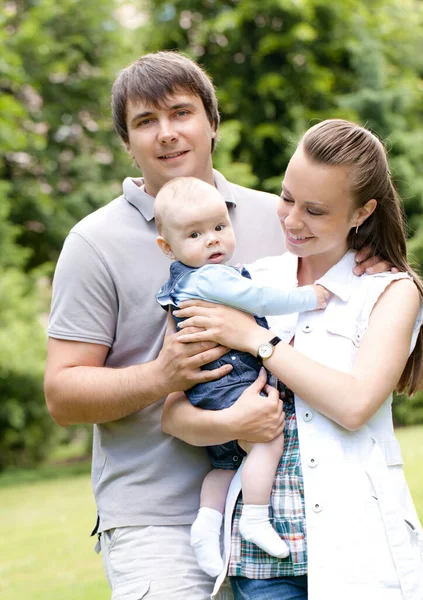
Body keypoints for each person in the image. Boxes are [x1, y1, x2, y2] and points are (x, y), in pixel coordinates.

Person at [43, 50, 391, 600]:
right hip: (155, 519)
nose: (166, 134)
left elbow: (342, 296)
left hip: (276, 507)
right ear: (127, 142)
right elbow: (63, 395)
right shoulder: (93, 243)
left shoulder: (277, 218)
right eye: (144, 121)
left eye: (180, 113)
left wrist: (367, 261)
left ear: (212, 122)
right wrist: (163, 374)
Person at [162, 119, 423, 600]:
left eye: (315, 210)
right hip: (262, 562)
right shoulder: (251, 280)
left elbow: (354, 405)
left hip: (360, 553)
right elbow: (174, 415)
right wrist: (233, 421)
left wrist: (255, 339)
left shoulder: (390, 291)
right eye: (287, 198)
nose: (291, 220)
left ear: (362, 212)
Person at [154, 176, 329, 576]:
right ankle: (254, 518)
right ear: (167, 247)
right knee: (268, 438)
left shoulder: (181, 281)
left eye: (219, 227)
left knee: (227, 463)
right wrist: (311, 296)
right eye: (195, 234)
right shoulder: (215, 278)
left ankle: (206, 524)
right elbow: (261, 299)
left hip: (206, 387)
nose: (213, 240)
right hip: (232, 380)